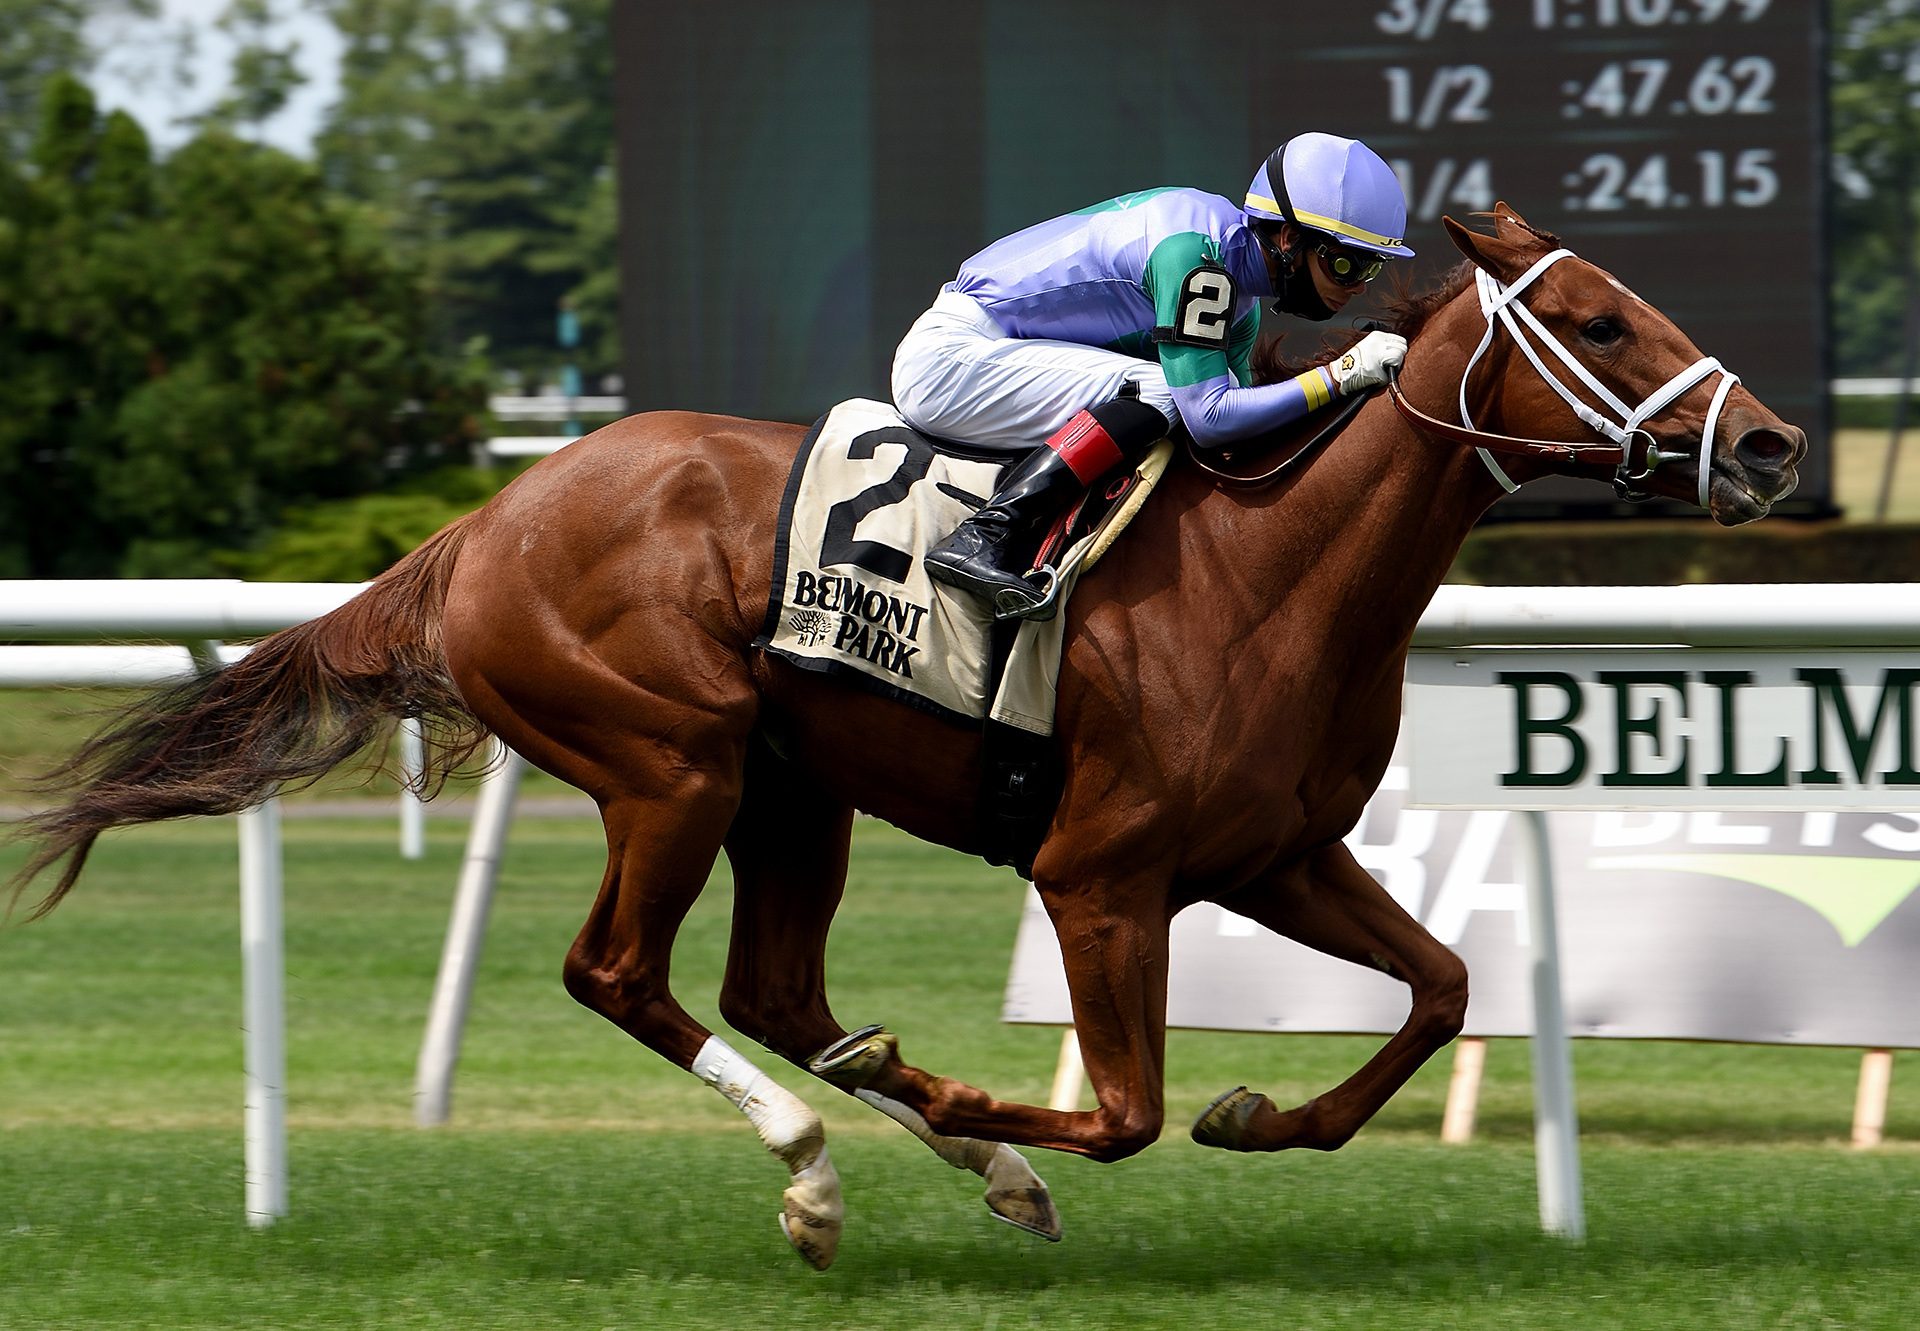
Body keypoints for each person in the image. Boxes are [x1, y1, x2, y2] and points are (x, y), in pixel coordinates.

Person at [892, 132, 1415, 619]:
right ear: (1286, 236)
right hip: (953, 360)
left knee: (1174, 400)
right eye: (1345, 264)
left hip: (993, 358)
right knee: (1170, 394)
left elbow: (1235, 437)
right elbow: (1209, 416)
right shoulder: (1197, 259)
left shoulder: (1239, 301)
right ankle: (987, 536)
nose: (1358, 287)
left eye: (1370, 270)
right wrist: (1341, 374)